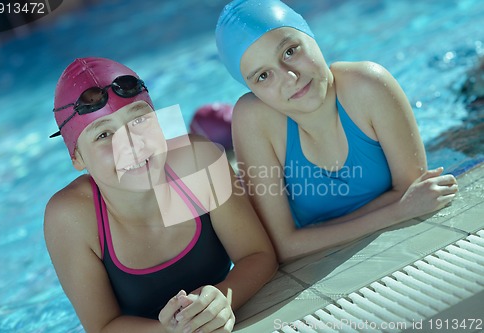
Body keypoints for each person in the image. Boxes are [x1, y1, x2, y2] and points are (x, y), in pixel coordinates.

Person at [43, 57, 277, 333]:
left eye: (139, 119)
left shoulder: (198, 161)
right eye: (104, 135)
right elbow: (103, 326)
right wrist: (168, 330)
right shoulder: (71, 217)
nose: (131, 144)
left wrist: (224, 298)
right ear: (78, 157)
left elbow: (258, 255)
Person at [215, 0, 458, 263]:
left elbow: (416, 190)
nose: (289, 77)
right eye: (263, 76)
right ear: (252, 89)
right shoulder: (253, 119)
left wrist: (314, 234)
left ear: (310, 35)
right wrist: (398, 211)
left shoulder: (368, 85)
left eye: (289, 51)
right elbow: (283, 247)